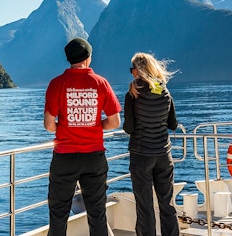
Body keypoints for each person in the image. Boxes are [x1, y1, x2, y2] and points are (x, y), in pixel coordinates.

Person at [44, 37, 122, 236]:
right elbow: (114, 122)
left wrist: (65, 126)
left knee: (58, 214)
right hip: (94, 156)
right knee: (97, 214)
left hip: (64, 157)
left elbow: (49, 125)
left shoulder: (56, 84)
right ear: (88, 58)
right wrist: (94, 125)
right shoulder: (100, 83)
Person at [123, 52, 179, 236]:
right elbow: (173, 124)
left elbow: (129, 128)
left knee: (145, 206)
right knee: (167, 204)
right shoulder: (164, 91)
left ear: (138, 71)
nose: (131, 74)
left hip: (141, 155)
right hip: (164, 154)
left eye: (132, 70)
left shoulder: (132, 93)